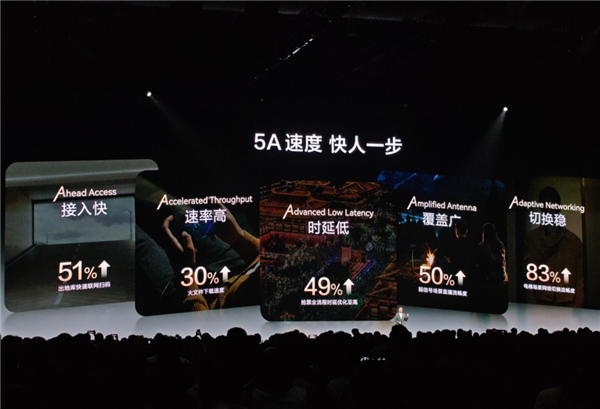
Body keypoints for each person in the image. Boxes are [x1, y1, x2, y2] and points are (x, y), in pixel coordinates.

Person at [524, 187, 584, 308]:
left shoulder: (573, 241)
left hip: (569, 304)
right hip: (541, 304)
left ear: (559, 208)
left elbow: (580, 278)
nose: (550, 211)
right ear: (541, 208)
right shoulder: (532, 239)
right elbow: (526, 272)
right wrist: (543, 250)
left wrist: (578, 308)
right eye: (546, 207)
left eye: (553, 206)